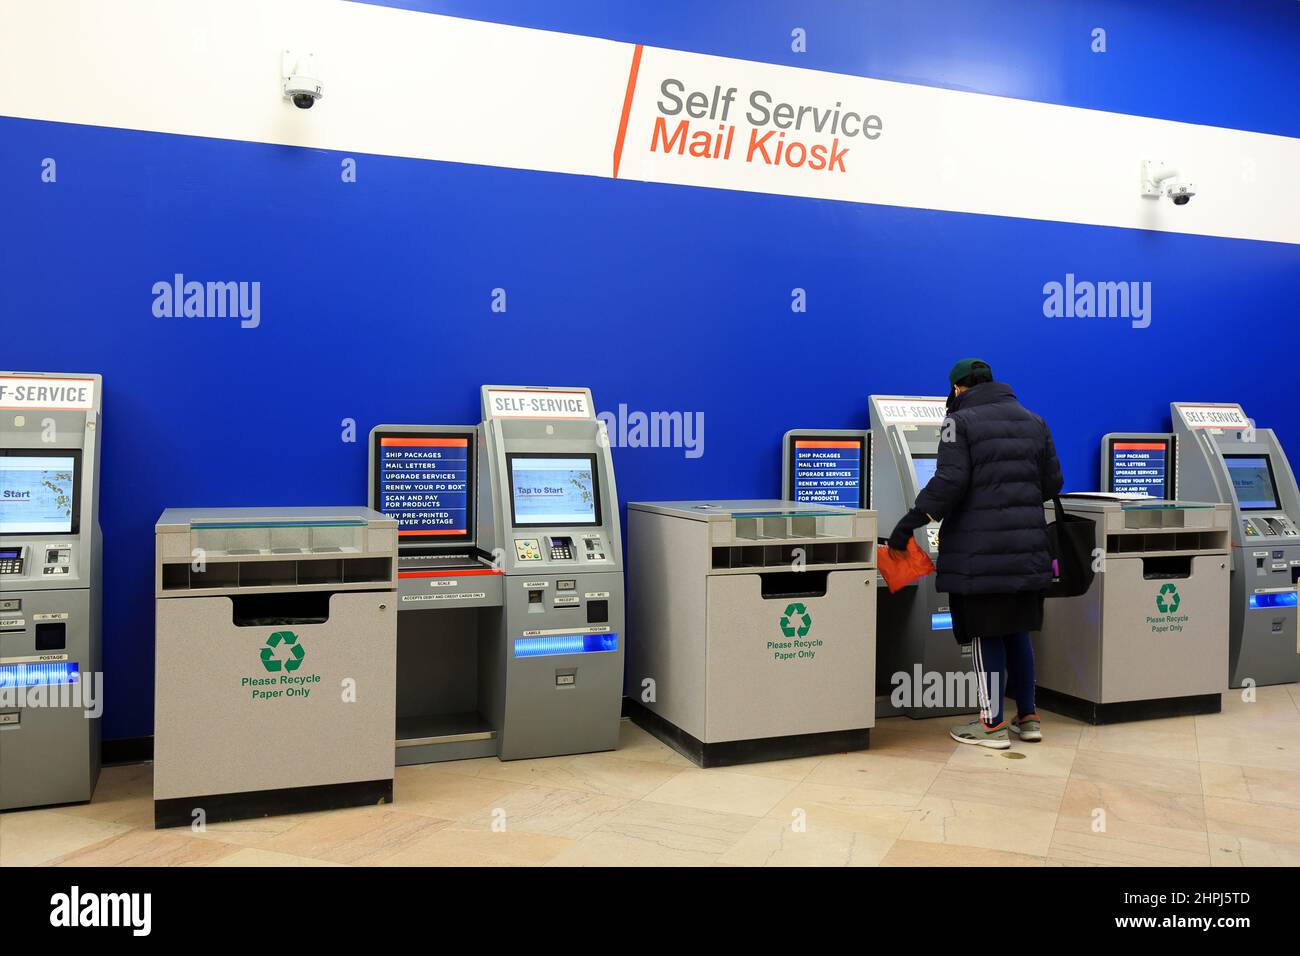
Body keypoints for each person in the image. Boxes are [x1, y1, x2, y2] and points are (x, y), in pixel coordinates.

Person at [887, 359, 1063, 749]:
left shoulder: (959, 423)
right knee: (1018, 630)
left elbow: (950, 481)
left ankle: (990, 725)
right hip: (1028, 550)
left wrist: (911, 521)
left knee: (984, 634)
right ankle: (1029, 717)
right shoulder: (1034, 421)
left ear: (957, 389)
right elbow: (1053, 482)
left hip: (980, 554)